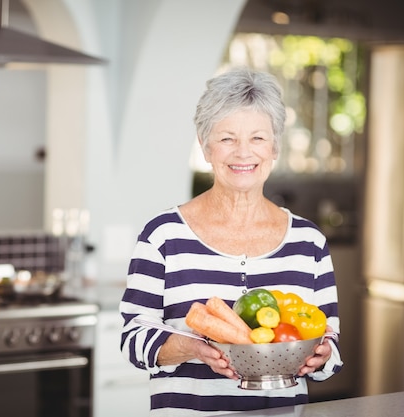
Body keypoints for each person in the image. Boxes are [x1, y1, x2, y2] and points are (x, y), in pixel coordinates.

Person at [119, 67, 343, 416]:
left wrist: (323, 355)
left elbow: (331, 345)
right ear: (205, 146)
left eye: (257, 138)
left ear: (275, 148)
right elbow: (133, 339)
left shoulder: (308, 241)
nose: (243, 153)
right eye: (227, 138)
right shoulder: (163, 234)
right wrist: (189, 347)